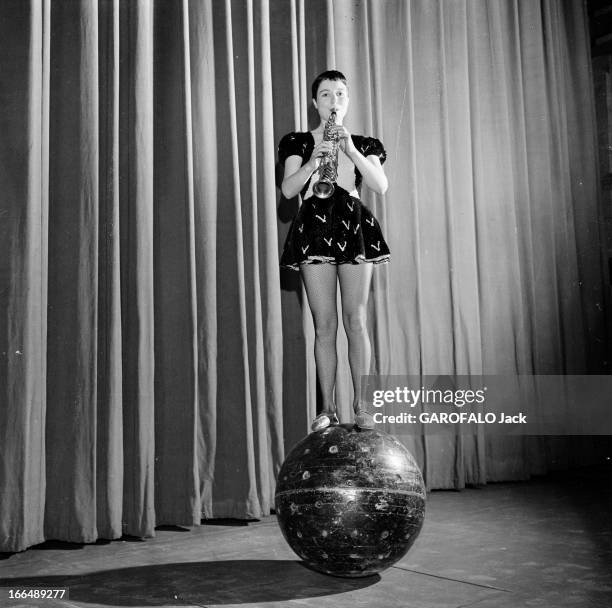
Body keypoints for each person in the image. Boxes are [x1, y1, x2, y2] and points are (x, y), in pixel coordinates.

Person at [278, 70, 390, 432]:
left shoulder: (366, 142)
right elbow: (288, 191)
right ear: (315, 103)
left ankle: (362, 405)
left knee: (355, 320)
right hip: (313, 226)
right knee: (323, 325)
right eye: (326, 95)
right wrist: (315, 160)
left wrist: (350, 150)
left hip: (353, 225)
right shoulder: (297, 141)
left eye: (340, 94)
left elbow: (380, 185)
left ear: (348, 100)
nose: (334, 101)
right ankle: (326, 408)